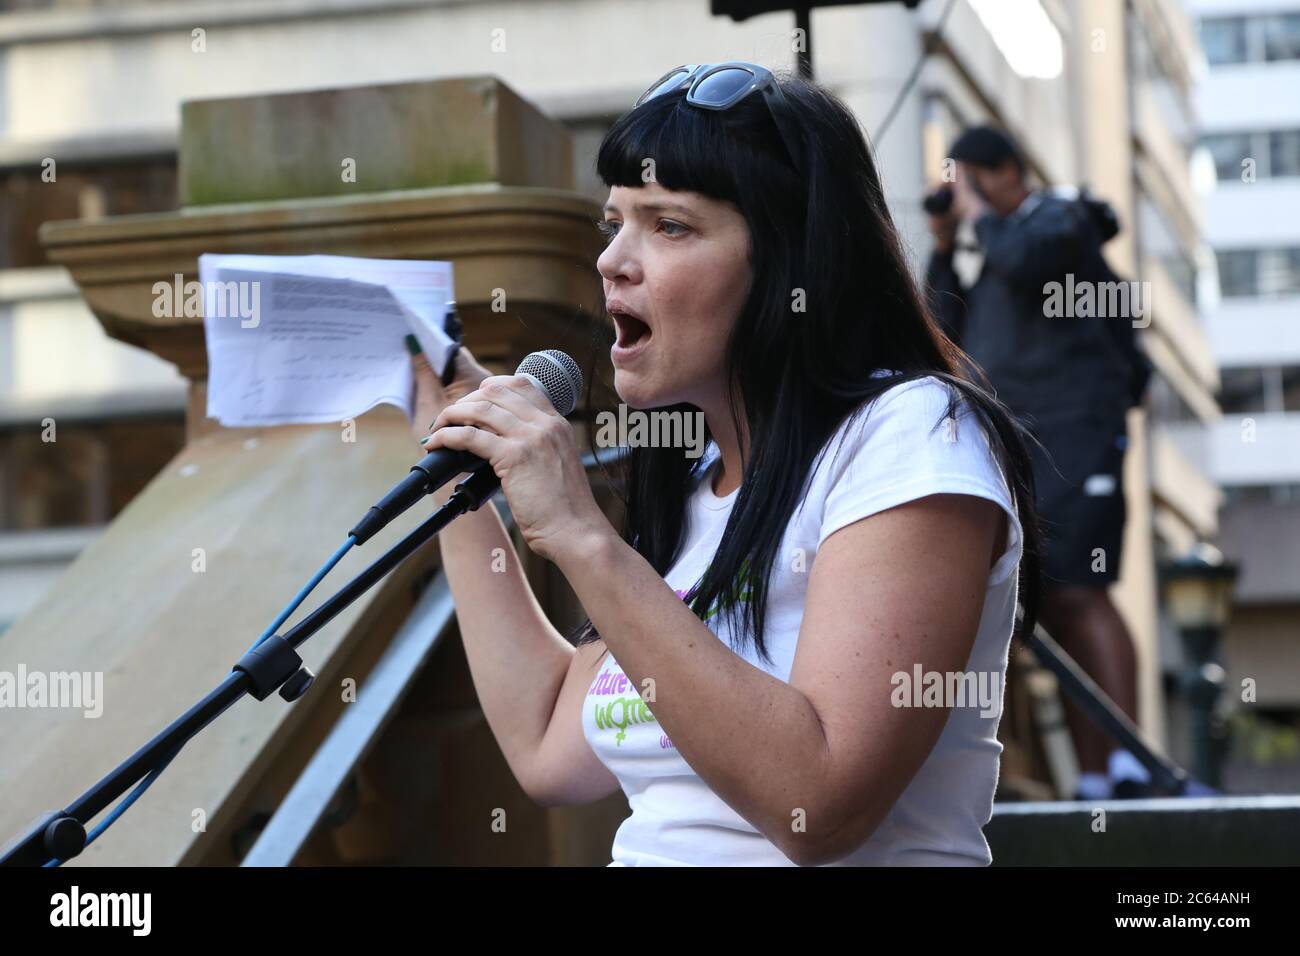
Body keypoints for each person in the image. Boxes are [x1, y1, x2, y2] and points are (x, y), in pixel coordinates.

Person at [410, 64, 1042, 866]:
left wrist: (581, 534)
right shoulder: (699, 486)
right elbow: (544, 742)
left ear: (788, 266)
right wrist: (462, 474)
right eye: (615, 224)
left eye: (669, 226)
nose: (612, 261)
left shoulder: (911, 437)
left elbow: (819, 802)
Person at [924, 125, 1153, 800]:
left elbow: (1030, 261)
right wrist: (943, 252)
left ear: (1005, 172)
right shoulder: (994, 251)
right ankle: (1094, 777)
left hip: (1080, 431)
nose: (964, 197)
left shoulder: (1059, 219)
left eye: (970, 178)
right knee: (1048, 606)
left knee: (1084, 590)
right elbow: (941, 334)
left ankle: (1131, 763)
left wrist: (975, 212)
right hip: (1021, 445)